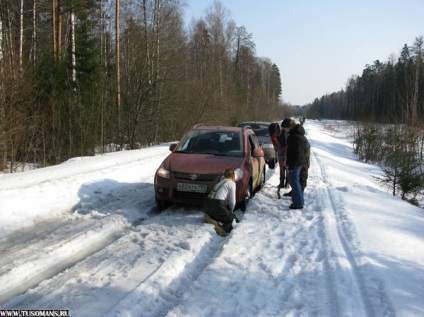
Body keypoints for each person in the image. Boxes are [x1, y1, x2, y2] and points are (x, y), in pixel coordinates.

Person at [204, 168, 238, 237]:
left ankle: (212, 217)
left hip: (208, 205)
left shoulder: (220, 183)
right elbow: (232, 202)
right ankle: (223, 229)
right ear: (233, 176)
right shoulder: (231, 183)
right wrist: (230, 212)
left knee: (221, 214)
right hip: (218, 205)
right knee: (233, 219)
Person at [283, 119, 307, 209]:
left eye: (285, 128)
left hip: (296, 163)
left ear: (289, 127)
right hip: (297, 162)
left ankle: (298, 203)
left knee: (294, 182)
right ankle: (299, 201)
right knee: (295, 182)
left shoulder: (295, 137)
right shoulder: (295, 135)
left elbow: (297, 153)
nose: (285, 130)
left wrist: (292, 165)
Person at [268, 120, 289, 189]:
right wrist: (280, 160)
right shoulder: (277, 136)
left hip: (289, 151)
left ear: (277, 129)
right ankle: (281, 182)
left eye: (273, 133)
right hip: (282, 150)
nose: (273, 136)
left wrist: (285, 159)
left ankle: (287, 183)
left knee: (287, 166)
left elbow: (288, 148)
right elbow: (279, 149)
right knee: (282, 166)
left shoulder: (286, 133)